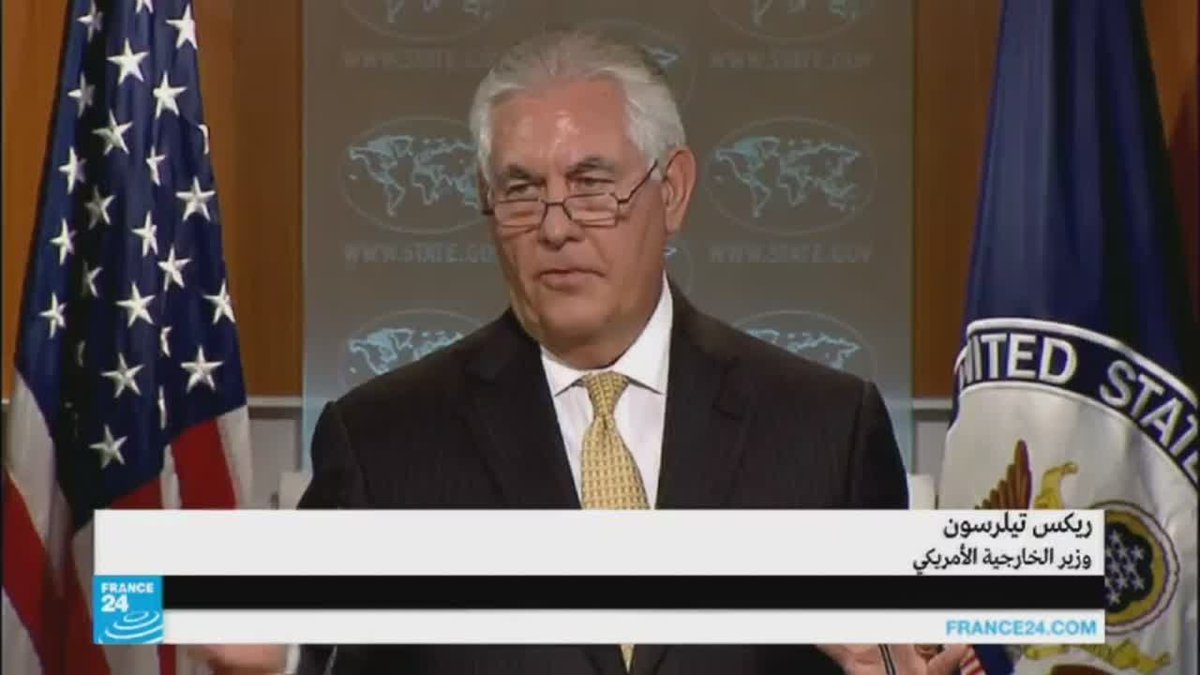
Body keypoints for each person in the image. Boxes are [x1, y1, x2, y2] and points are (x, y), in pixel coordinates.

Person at [196, 29, 966, 675]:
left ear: (673, 192)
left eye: (592, 184)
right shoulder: (382, 442)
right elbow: (305, 652)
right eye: (521, 190)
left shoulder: (826, 430)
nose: (556, 226)